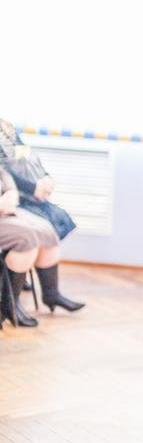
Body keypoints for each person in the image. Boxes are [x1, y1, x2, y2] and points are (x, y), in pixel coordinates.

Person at [0, 120, 85, 326]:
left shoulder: (6, 128)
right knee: (29, 236)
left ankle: (51, 293)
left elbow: (8, 169)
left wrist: (12, 193)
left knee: (46, 229)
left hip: (8, 204)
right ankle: (10, 304)